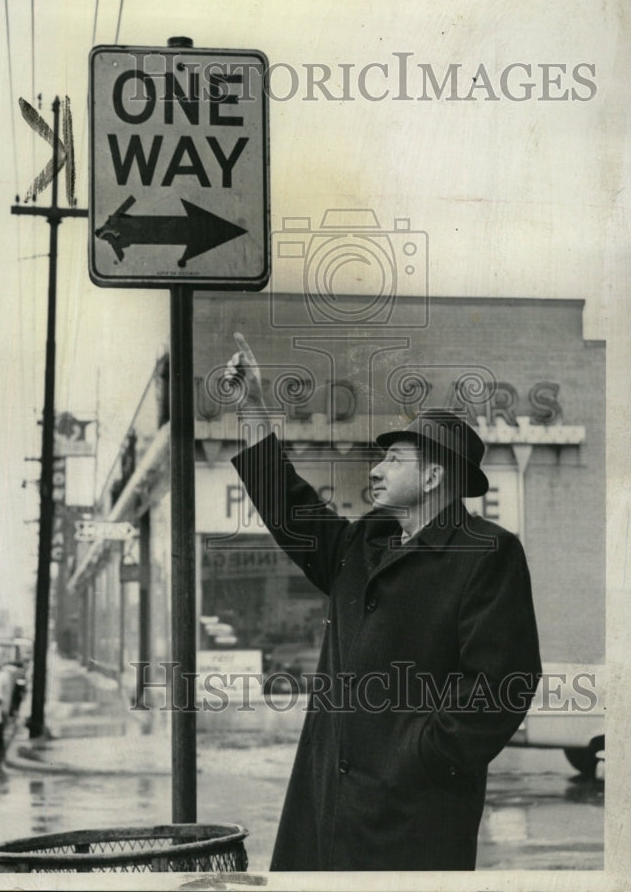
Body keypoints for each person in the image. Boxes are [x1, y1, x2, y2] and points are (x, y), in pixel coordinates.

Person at [225, 332, 542, 871]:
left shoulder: (486, 553)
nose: (375, 470)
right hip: (329, 805)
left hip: (414, 815)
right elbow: (286, 505)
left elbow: (502, 685)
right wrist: (254, 408)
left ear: (434, 476)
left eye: (394, 459)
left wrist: (420, 757)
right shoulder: (360, 545)